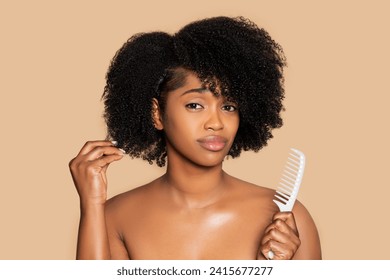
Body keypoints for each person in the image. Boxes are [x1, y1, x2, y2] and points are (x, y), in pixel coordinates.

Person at [69, 16, 321, 260]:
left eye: (229, 107)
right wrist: (91, 205)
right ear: (157, 113)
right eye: (195, 105)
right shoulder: (116, 218)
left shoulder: (289, 220)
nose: (216, 123)